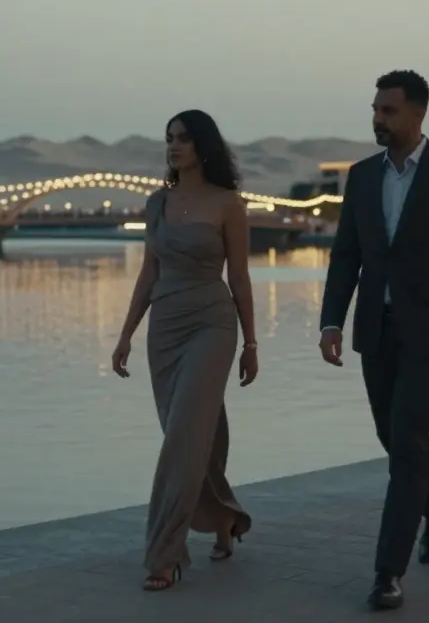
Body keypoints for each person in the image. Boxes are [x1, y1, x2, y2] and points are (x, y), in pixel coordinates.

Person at [318, 70, 429, 611]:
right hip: (377, 328)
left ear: (417, 114)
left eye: (388, 110)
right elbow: (347, 254)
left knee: (409, 440)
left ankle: (387, 572)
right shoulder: (362, 176)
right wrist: (330, 322)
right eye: (375, 109)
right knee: (392, 437)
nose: (378, 118)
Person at [112, 109, 259, 592]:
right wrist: (126, 334)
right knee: (198, 432)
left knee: (183, 437)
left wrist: (251, 342)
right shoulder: (157, 203)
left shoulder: (228, 203)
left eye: (184, 138)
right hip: (165, 328)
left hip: (212, 324)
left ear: (203, 146)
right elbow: (148, 273)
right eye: (169, 138)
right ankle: (224, 518)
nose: (174, 146)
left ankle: (165, 554)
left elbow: (239, 277)